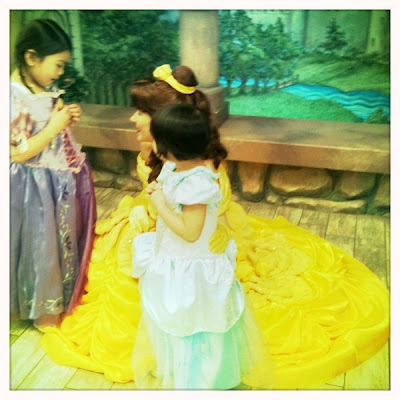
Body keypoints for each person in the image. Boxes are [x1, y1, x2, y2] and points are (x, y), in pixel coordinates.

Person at [41, 64, 389, 389]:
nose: (133, 118)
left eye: (141, 112)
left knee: (182, 300)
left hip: (188, 235)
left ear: (166, 127)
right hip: (163, 227)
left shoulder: (198, 174)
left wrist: (196, 223)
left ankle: (199, 363)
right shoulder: (164, 155)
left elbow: (202, 218)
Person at [131, 103, 274, 389]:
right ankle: (182, 371)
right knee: (179, 321)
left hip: (192, 268)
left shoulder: (196, 184)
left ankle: (202, 380)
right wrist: (160, 192)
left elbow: (190, 232)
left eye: (157, 138)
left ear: (170, 147)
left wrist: (159, 204)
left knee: (196, 321)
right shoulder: (176, 168)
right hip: (174, 257)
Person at [10, 19, 96, 330]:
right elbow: (18, 152)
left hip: (54, 179)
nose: (60, 72)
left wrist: (65, 117)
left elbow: (50, 124)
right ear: (32, 57)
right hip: (31, 186)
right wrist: (54, 126)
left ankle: (56, 299)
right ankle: (39, 307)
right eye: (57, 65)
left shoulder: (41, 86)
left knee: (57, 240)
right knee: (39, 246)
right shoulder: (13, 97)